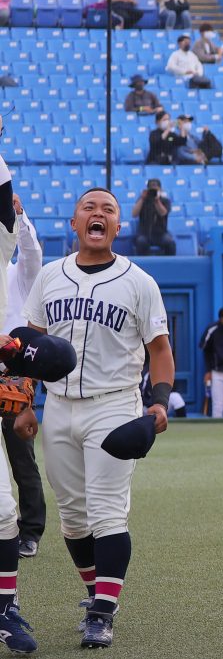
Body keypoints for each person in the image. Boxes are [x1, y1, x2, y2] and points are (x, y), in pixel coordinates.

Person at [17, 186, 174, 650]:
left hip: (114, 404)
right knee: (72, 519)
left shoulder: (139, 281)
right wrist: (25, 400)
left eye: (108, 209)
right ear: (74, 222)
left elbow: (160, 351)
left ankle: (103, 612)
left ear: (118, 227)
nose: (98, 213)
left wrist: (160, 401)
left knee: (107, 514)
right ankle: (96, 593)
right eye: (89, 207)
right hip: (58, 405)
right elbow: (31, 344)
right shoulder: (50, 276)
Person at [1, 197, 44, 560]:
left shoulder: (18, 274)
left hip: (13, 375)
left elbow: (31, 255)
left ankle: (30, 531)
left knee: (21, 456)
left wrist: (19, 215)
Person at [131, 178, 175, 256]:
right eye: (151, 189)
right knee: (141, 242)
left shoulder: (165, 201)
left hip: (161, 233)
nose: (153, 192)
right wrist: (142, 198)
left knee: (170, 243)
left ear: (160, 190)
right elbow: (134, 214)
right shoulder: (142, 200)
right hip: (144, 233)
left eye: (156, 189)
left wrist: (157, 200)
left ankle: (169, 265)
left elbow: (163, 213)